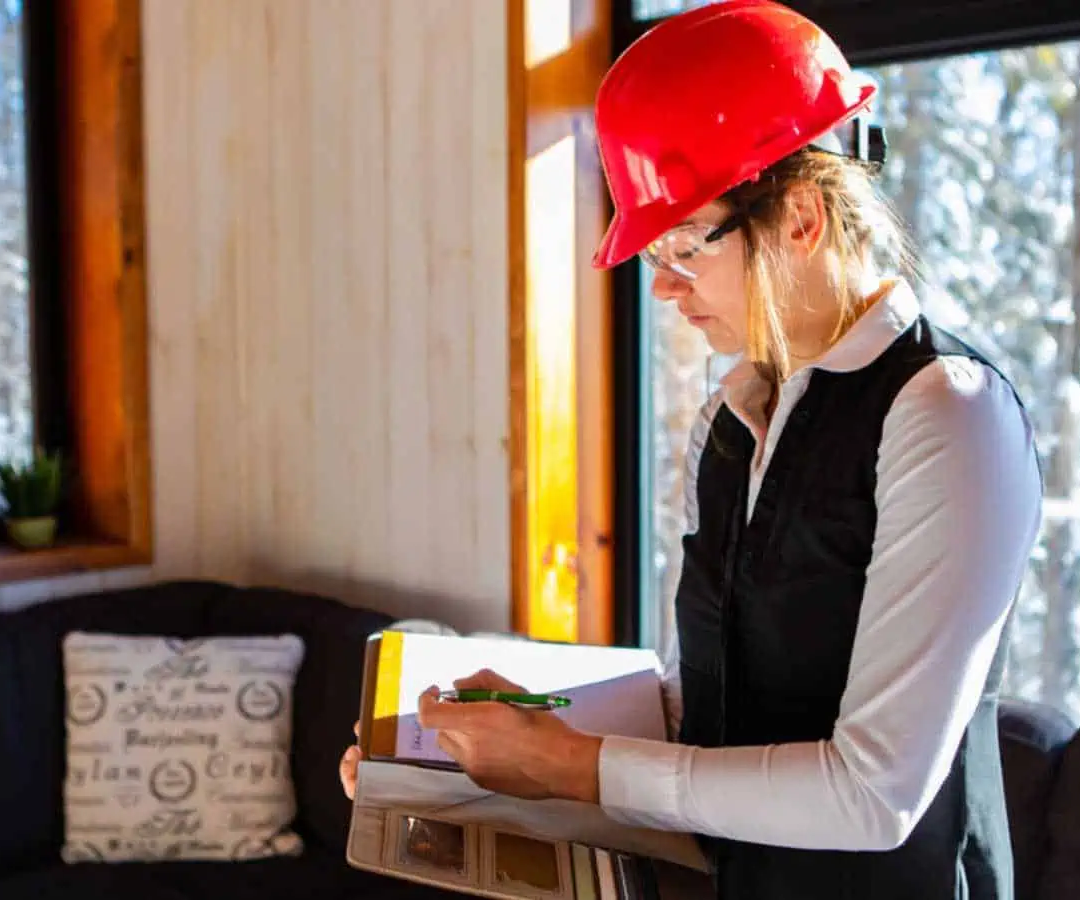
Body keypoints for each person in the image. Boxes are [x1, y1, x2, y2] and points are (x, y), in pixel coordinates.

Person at [340, 2, 1043, 897]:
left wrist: (575, 764)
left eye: (680, 243)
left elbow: (876, 791)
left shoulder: (947, 413)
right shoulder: (731, 419)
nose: (664, 285)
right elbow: (707, 710)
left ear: (799, 217)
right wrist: (491, 745)